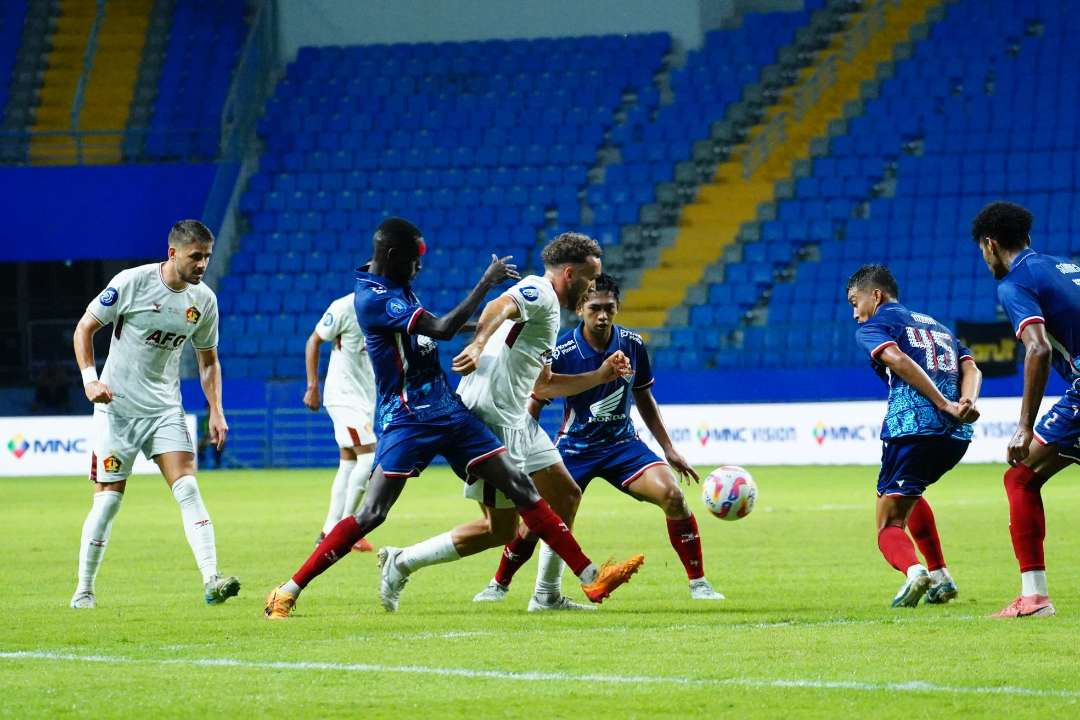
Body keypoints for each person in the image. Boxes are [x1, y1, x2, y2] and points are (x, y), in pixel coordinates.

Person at [264, 218, 644, 619]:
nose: (420, 267)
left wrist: (488, 331)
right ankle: (287, 590)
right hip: (409, 417)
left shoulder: (396, 285)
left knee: (523, 491)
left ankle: (589, 575)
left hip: (448, 410)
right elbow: (444, 328)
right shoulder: (375, 298)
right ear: (394, 257)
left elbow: (448, 332)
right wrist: (486, 289)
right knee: (373, 513)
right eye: (414, 259)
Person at [380, 237, 637, 613]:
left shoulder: (549, 311)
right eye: (590, 278)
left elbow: (544, 384)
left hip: (517, 417)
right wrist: (478, 343)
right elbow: (500, 304)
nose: (592, 287)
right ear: (570, 273)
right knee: (499, 529)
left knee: (566, 495)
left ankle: (547, 594)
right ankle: (400, 561)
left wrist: (599, 376)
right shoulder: (540, 291)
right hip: (492, 418)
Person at [471, 273, 725, 602]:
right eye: (595, 308)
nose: (602, 315)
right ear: (580, 309)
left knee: (673, 496)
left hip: (623, 446)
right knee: (538, 521)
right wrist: (518, 452)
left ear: (617, 307)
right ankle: (499, 584)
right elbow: (535, 399)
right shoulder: (560, 349)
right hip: (574, 449)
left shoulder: (632, 344)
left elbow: (644, 397)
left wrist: (668, 448)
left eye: (609, 308)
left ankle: (699, 584)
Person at [70, 219, 239, 609]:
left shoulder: (204, 302)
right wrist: (89, 381)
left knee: (189, 487)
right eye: (196, 257)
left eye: (207, 257)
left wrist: (216, 410)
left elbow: (208, 361)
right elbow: (84, 329)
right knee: (108, 501)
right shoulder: (132, 283)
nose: (202, 265)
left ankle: (212, 578)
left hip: (165, 408)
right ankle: (84, 589)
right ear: (173, 253)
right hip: (117, 409)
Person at [846, 264, 981, 608]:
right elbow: (972, 367)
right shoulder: (936, 326)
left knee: (888, 523)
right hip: (956, 436)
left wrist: (942, 403)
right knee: (911, 492)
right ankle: (940, 576)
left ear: (875, 295)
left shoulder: (876, 326)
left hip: (912, 429)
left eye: (854, 302)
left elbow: (896, 358)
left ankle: (915, 571)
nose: (855, 314)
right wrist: (965, 403)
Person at [971, 201, 1080, 618]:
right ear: (1028, 238)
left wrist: (1023, 427)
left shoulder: (1015, 282)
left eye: (983, 250)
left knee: (1020, 477)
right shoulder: (1064, 267)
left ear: (991, 245)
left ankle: (1034, 598)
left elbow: (1036, 348)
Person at [303, 291, 377, 552]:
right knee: (369, 457)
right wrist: (313, 386)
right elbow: (314, 340)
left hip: (365, 397)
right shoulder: (345, 306)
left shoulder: (389, 305)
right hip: (344, 396)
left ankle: (328, 529)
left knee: (349, 461)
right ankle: (349, 530)